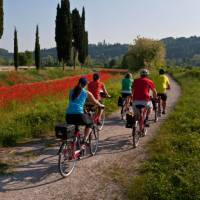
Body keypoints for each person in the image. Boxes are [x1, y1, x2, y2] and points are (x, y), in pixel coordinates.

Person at [66, 77, 104, 144]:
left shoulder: (71, 91)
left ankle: (75, 141)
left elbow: (72, 102)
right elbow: (95, 102)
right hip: (78, 115)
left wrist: (83, 108)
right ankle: (84, 140)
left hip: (68, 115)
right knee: (90, 123)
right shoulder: (86, 93)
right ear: (85, 85)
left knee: (76, 125)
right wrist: (101, 105)